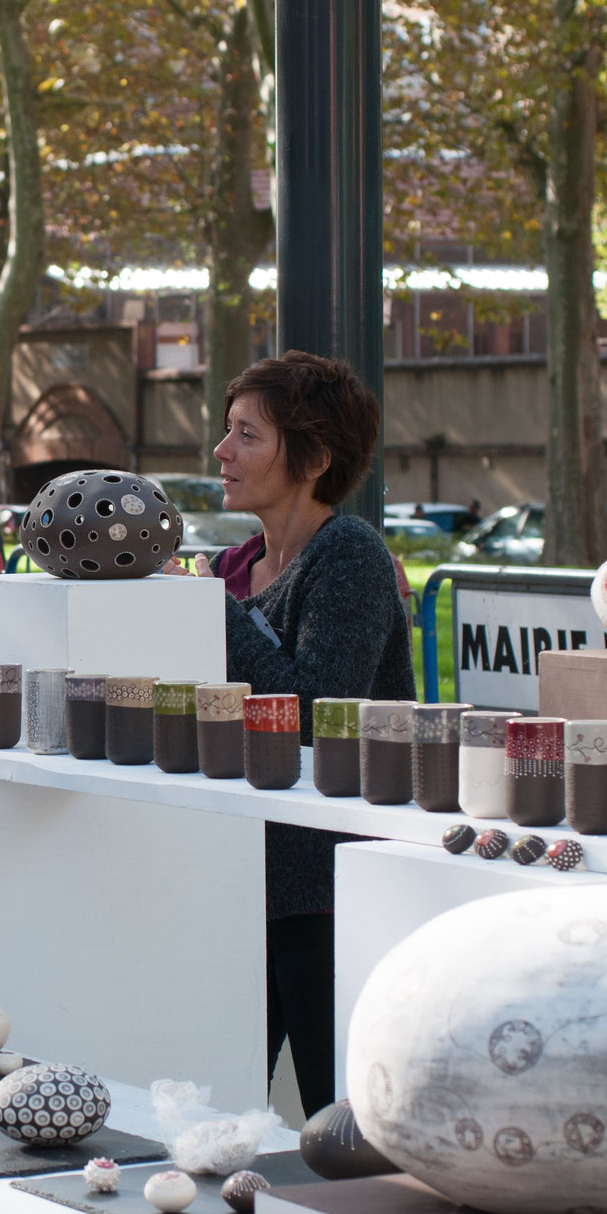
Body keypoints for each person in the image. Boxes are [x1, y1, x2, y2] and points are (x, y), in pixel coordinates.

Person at [205, 350, 414, 1119]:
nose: (223, 452)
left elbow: (316, 711)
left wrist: (212, 617)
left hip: (328, 896)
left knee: (343, 1122)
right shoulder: (231, 566)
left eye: (247, 435)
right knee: (222, 1118)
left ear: (314, 458)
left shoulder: (350, 555)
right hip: (235, 884)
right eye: (228, 432)